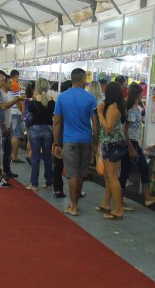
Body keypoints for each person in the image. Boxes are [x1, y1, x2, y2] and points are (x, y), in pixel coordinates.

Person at [53, 68, 98, 216]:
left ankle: (73, 206)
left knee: (72, 174)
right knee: (81, 174)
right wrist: (95, 142)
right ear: (83, 79)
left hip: (69, 140)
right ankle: (75, 203)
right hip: (86, 140)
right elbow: (95, 123)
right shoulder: (91, 98)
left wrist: (56, 143)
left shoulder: (62, 97)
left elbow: (57, 122)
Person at [122, 83, 155, 206]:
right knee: (140, 169)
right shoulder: (132, 110)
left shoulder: (134, 108)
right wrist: (131, 148)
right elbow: (125, 130)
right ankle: (146, 197)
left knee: (127, 171)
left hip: (132, 143)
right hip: (131, 144)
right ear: (138, 94)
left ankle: (122, 200)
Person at [96, 82, 129, 220]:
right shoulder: (118, 106)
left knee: (112, 178)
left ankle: (118, 209)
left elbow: (108, 128)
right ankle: (106, 203)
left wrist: (99, 114)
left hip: (111, 144)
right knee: (110, 177)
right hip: (116, 144)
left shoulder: (112, 107)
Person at [26, 77, 54, 191]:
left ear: (37, 87)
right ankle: (49, 183)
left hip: (34, 130)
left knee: (35, 158)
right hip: (48, 130)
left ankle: (34, 184)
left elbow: (28, 115)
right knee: (48, 158)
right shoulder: (52, 101)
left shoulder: (32, 101)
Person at [1, 74, 19, 179]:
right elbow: (2, 108)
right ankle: (1, 172)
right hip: (3, 126)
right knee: (2, 150)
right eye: (9, 83)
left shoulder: (8, 94)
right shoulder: (1, 94)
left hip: (8, 124)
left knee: (8, 150)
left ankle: (7, 170)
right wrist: (16, 100)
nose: (10, 85)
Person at [9, 69, 25, 163]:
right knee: (17, 135)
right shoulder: (15, 84)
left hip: (10, 112)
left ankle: (12, 154)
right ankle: (14, 156)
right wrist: (22, 112)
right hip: (16, 112)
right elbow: (17, 99)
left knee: (13, 134)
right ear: (16, 76)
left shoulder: (8, 84)